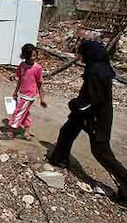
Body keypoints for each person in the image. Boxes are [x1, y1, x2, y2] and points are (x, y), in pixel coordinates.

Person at [49, 40, 127, 209]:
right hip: (86, 113)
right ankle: (59, 159)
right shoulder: (96, 67)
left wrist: (75, 104)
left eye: (82, 53)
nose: (80, 56)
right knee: (67, 131)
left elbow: (93, 100)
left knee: (101, 152)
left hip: (96, 117)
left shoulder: (97, 73)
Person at [0, 43, 47, 141]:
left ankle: (10, 133)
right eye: (31, 56)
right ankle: (27, 133)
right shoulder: (22, 66)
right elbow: (20, 80)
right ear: (25, 56)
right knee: (25, 113)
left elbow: (39, 83)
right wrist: (15, 92)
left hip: (29, 96)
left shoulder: (37, 68)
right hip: (22, 93)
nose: (33, 58)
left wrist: (42, 98)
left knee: (18, 113)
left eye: (35, 55)